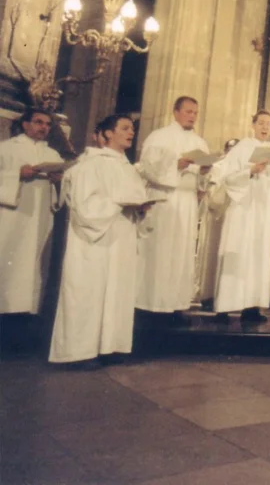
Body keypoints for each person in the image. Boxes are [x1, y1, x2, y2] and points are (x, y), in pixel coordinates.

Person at [49, 115, 152, 366]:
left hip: (122, 237)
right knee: (89, 291)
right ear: (106, 134)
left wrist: (140, 209)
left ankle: (109, 346)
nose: (131, 132)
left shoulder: (128, 167)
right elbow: (84, 207)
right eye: (125, 128)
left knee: (116, 290)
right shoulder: (90, 164)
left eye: (132, 129)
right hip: (95, 239)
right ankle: (79, 352)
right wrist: (118, 204)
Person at [135, 96, 211, 324]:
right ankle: (150, 306)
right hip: (165, 200)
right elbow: (147, 168)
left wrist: (205, 172)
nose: (192, 116)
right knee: (160, 253)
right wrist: (175, 165)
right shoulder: (159, 137)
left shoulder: (200, 142)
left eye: (195, 113)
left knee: (182, 254)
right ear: (175, 112)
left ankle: (177, 305)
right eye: (188, 111)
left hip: (187, 202)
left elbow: (202, 181)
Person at [212, 112, 270, 323]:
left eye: (268, 124)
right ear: (253, 125)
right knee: (237, 253)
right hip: (242, 210)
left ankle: (251, 307)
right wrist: (250, 171)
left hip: (262, 213)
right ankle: (224, 307)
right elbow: (227, 178)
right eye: (261, 123)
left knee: (258, 257)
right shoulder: (241, 148)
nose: (265, 127)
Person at [0, 109, 64, 316]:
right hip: (12, 215)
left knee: (34, 262)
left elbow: (60, 195)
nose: (43, 128)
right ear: (25, 124)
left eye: (47, 124)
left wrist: (58, 181)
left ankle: (27, 309)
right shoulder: (6, 148)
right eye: (38, 122)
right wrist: (17, 173)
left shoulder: (52, 154)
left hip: (41, 216)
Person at [195, 139, 238, 309]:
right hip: (215, 215)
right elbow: (207, 190)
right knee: (211, 253)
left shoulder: (239, 168)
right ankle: (209, 293)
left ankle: (226, 293)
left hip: (232, 215)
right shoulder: (218, 166)